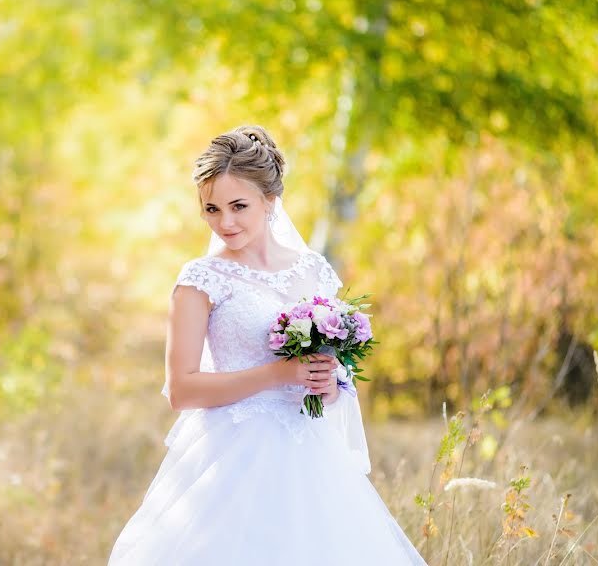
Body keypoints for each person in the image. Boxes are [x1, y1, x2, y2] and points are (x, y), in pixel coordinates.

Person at [108, 125, 427, 565]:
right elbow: (182, 390)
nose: (225, 223)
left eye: (239, 206)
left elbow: (336, 375)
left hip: (310, 453)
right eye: (212, 209)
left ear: (270, 202)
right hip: (231, 456)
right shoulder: (200, 280)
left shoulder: (315, 270)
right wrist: (277, 374)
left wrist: (330, 383)